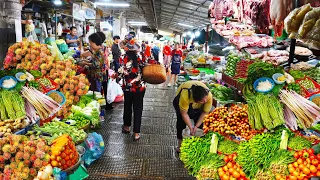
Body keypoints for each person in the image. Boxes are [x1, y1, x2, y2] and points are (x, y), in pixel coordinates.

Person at [173, 81, 213, 153]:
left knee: (201, 124)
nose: (205, 101)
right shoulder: (185, 97)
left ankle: (199, 147)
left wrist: (196, 127)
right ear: (195, 101)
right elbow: (184, 114)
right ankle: (180, 146)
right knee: (181, 123)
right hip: (181, 100)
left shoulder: (208, 96)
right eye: (202, 101)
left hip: (197, 103)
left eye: (205, 100)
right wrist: (191, 127)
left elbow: (205, 112)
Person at [118, 35, 145, 141]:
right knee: (138, 109)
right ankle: (137, 133)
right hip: (140, 88)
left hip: (128, 88)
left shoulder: (123, 58)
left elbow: (120, 73)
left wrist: (117, 76)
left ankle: (127, 127)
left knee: (127, 107)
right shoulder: (141, 57)